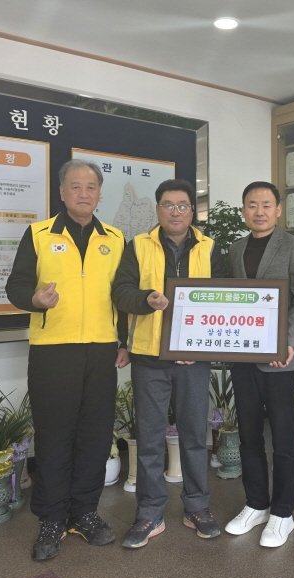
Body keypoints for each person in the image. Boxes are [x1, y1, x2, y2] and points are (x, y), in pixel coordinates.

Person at [5, 159, 129, 561]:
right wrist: (35, 298)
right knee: (54, 435)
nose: (83, 193)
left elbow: (123, 294)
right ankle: (52, 518)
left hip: (101, 349)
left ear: (99, 193)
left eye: (91, 187)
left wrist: (124, 341)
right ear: (62, 192)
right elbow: (16, 285)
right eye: (75, 186)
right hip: (53, 350)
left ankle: (84, 513)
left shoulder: (115, 238)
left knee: (95, 435)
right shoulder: (39, 235)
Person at [114, 178, 225, 548]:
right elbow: (121, 293)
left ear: (192, 211)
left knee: (194, 435)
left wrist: (203, 347)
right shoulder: (137, 246)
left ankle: (197, 507)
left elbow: (223, 298)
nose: (175, 212)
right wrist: (146, 299)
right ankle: (149, 512)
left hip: (195, 357)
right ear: (157, 209)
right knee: (149, 438)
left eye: (182, 205)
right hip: (150, 357)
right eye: (168, 205)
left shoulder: (210, 248)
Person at [223, 181, 294, 547]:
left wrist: (288, 341)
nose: (258, 211)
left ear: (278, 210)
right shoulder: (236, 248)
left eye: (265, 204)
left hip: (279, 357)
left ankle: (283, 512)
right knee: (248, 434)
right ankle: (256, 503)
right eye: (251, 204)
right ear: (243, 210)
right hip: (243, 357)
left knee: (283, 435)